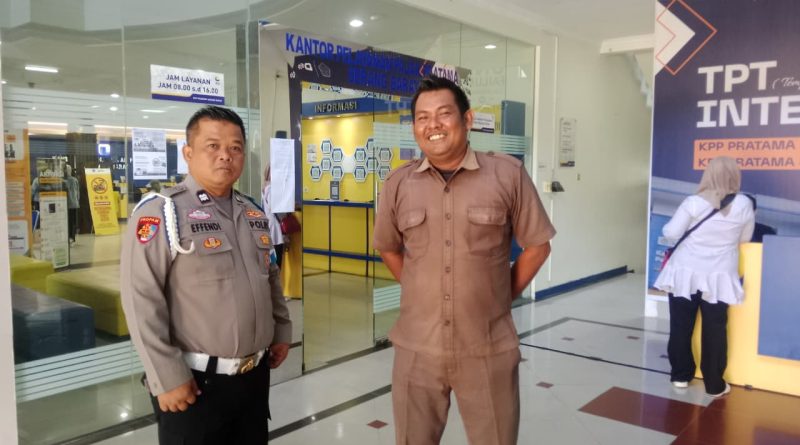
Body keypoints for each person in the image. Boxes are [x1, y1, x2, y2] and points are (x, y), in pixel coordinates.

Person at [373, 75, 555, 445]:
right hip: (417, 347)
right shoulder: (398, 184)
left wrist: (500, 296)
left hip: (487, 346)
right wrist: (418, 288)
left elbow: (538, 246)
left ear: (467, 119)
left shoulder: (507, 174)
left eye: (444, 114)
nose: (433, 125)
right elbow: (388, 247)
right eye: (422, 117)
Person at [120, 105, 292, 444]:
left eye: (235, 147)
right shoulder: (162, 212)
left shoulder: (252, 211)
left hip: (254, 380)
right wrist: (166, 376)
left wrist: (281, 330)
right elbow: (140, 299)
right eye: (213, 146)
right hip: (194, 383)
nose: (225, 155)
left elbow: (270, 276)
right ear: (188, 153)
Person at [654, 156, 755, 398]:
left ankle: (680, 376)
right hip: (719, 277)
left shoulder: (693, 202)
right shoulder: (744, 203)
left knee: (680, 326)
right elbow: (745, 238)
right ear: (735, 175)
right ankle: (714, 384)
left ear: (707, 175)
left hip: (684, 274)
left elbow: (671, 233)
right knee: (715, 329)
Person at [261, 165, 285, 269]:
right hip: (274, 227)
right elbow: (274, 207)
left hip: (272, 226)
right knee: (277, 259)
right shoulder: (270, 188)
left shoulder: (266, 187)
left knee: (275, 258)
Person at [64, 165, 80, 243]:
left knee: (68, 221)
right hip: (74, 204)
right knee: (73, 221)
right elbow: (78, 193)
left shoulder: (64, 181)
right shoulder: (75, 180)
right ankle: (72, 237)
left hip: (67, 204)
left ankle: (69, 236)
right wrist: (77, 200)